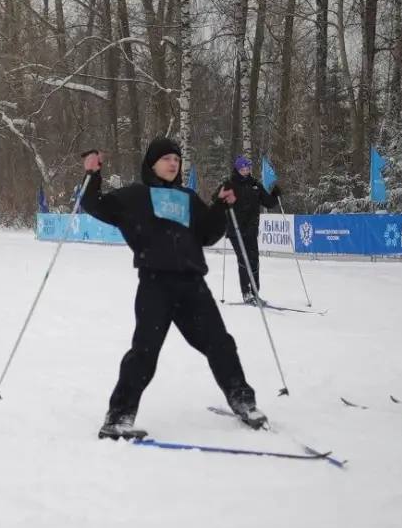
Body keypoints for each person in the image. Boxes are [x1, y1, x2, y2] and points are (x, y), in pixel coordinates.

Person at [80, 138, 268, 440]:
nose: (173, 163)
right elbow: (94, 204)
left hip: (192, 285)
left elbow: (207, 234)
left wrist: (220, 206)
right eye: (166, 158)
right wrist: (92, 174)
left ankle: (243, 400)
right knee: (144, 352)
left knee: (220, 342)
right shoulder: (136, 196)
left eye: (177, 159)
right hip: (156, 284)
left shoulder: (188, 198)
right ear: (152, 163)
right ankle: (118, 417)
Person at [222, 156, 281, 304]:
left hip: (251, 229)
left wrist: (275, 194)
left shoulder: (255, 185)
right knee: (244, 259)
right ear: (237, 169)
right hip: (236, 230)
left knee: (254, 260)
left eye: (248, 168)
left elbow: (269, 203)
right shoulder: (230, 185)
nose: (246, 171)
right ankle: (246, 292)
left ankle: (255, 292)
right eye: (243, 168)